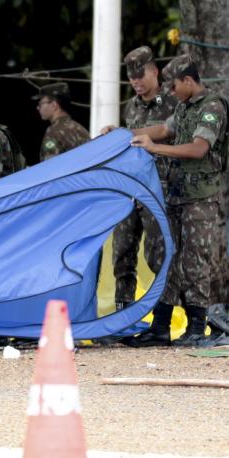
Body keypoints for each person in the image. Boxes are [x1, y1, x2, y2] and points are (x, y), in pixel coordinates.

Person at [128, 54, 227, 347]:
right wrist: (125, 134)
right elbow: (164, 129)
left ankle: (197, 326)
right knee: (166, 259)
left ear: (188, 80)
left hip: (201, 198)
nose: (170, 92)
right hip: (177, 195)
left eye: (173, 86)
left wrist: (155, 148)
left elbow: (198, 149)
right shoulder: (184, 106)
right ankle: (161, 326)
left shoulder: (212, 107)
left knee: (196, 261)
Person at [109, 47, 178, 313]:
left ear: (155, 72)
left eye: (140, 75)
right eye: (131, 77)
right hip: (131, 189)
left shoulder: (172, 101)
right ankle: (122, 312)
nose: (136, 81)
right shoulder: (131, 106)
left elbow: (164, 131)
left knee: (158, 254)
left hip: (160, 190)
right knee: (122, 252)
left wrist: (124, 133)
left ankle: (165, 317)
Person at [34, 82, 90, 161]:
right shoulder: (79, 128)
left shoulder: (54, 132)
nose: (38, 107)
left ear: (54, 105)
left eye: (41, 103)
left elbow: (50, 165)